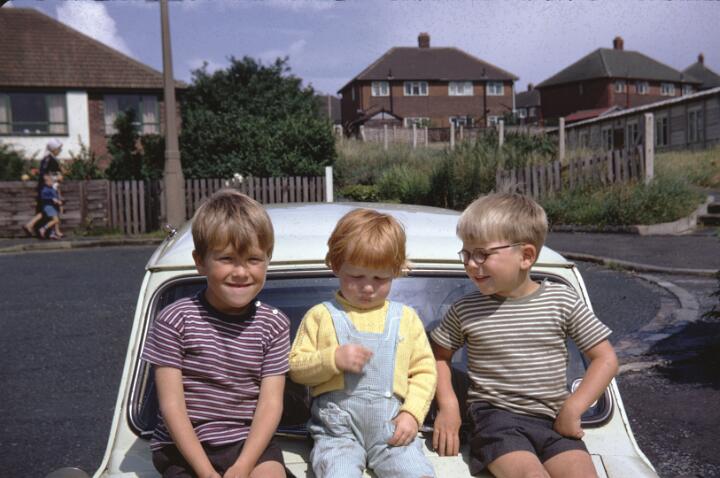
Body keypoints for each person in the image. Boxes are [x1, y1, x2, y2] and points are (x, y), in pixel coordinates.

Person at [431, 193, 618, 478]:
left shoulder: (561, 301)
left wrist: (573, 407)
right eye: (466, 254)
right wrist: (449, 406)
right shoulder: (465, 309)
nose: (470, 264)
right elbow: (438, 356)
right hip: (495, 420)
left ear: (526, 256)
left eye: (482, 254)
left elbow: (605, 359)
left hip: (553, 418)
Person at [141, 189, 290, 478]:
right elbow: (171, 405)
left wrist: (243, 465)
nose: (241, 272)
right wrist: (207, 473)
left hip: (249, 442)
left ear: (268, 260)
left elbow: (271, 404)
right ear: (200, 261)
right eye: (227, 259)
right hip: (182, 446)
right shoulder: (175, 319)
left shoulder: (274, 324)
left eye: (253, 259)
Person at [289, 208, 437, 478]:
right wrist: (332, 359)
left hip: (393, 431)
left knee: (417, 473)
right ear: (336, 266)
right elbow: (296, 368)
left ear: (395, 271)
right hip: (337, 435)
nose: (368, 287)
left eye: (380, 278)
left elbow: (424, 372)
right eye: (356, 276)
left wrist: (412, 414)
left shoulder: (406, 318)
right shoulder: (321, 316)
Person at [23, 138, 63, 237]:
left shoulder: (47, 158)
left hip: (46, 189)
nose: (60, 150)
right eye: (59, 148)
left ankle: (32, 225)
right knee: (52, 209)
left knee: (47, 210)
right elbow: (45, 176)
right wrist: (57, 178)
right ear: (54, 149)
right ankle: (33, 226)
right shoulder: (50, 159)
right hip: (48, 190)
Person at [37, 174, 63, 240]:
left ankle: (52, 234)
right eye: (50, 181)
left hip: (52, 207)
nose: (52, 182)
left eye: (52, 181)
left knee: (52, 220)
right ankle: (43, 229)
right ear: (45, 182)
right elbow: (49, 198)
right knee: (55, 220)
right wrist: (57, 201)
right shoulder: (45, 190)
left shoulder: (51, 188)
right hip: (48, 207)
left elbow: (55, 195)